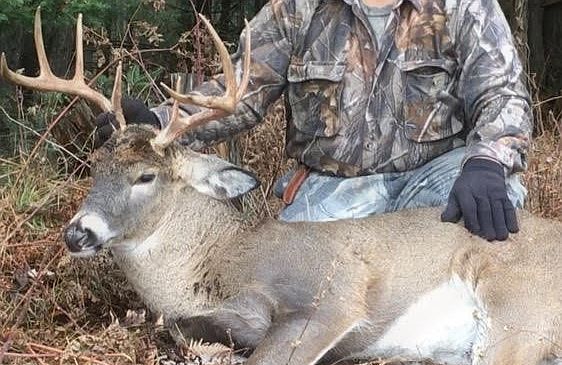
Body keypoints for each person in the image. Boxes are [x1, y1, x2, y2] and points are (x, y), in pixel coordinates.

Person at [96, 0, 532, 241]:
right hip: (333, 190)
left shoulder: (463, 6)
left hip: (431, 179)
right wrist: (157, 122)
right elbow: (240, 93)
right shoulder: (296, 10)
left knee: (495, 209)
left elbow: (501, 92)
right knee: (286, 279)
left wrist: (488, 160)